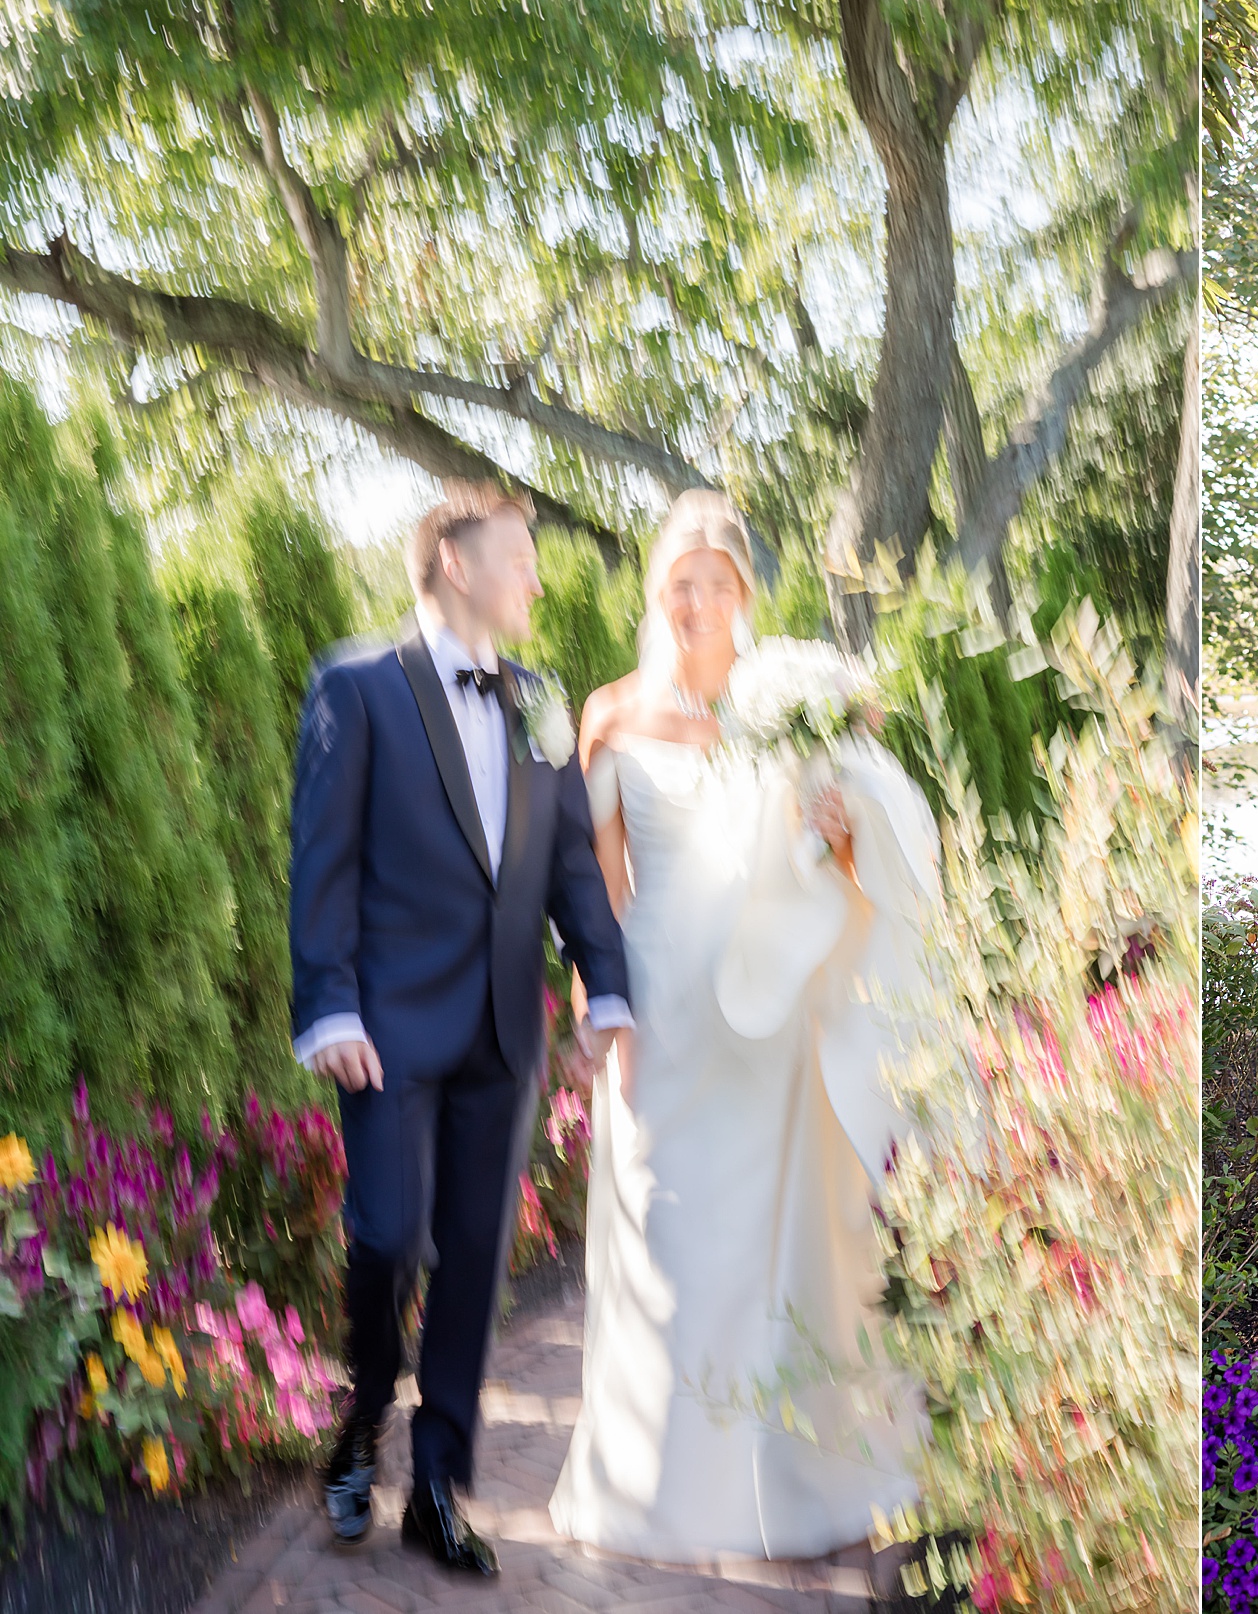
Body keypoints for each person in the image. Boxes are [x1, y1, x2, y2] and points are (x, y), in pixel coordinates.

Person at [548, 489, 936, 1563]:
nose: (698, 602)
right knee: (662, 1233)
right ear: (657, 592)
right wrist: (598, 1012)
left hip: (761, 1016)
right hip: (658, 1010)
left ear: (744, 595)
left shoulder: (786, 709)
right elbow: (597, 893)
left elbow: (839, 862)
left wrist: (838, 832)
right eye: (681, 583)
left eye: (716, 584)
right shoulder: (610, 714)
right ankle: (652, 1488)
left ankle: (784, 1482)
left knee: (761, 1245)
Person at [291, 482, 631, 1576]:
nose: (535, 578)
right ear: (453, 562)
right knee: (390, 1235)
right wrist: (328, 1003)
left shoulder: (539, 700)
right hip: (387, 1028)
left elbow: (570, 859)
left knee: (477, 1257)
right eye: (518, 556)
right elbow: (323, 860)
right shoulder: (357, 686)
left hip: (502, 1030)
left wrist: (604, 988)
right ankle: (362, 1419)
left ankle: (438, 1485)